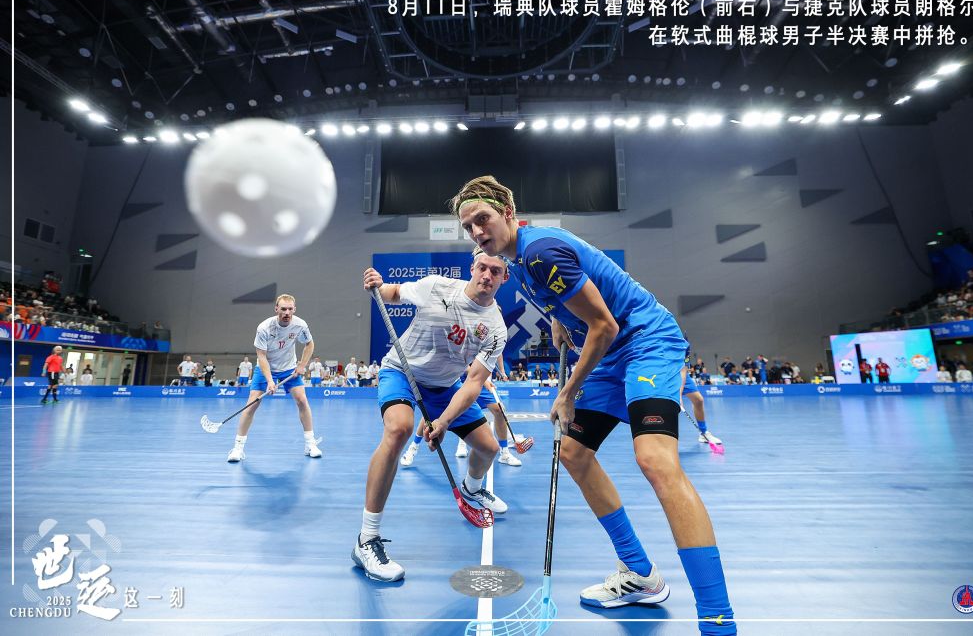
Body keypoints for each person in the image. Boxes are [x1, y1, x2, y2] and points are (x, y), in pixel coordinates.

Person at [452, 176, 734, 633]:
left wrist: (566, 393)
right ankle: (639, 574)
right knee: (574, 453)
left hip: (644, 341)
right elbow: (574, 301)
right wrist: (561, 320)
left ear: (507, 212)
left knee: (655, 461)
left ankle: (718, 621)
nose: (477, 231)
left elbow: (605, 325)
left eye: (482, 219)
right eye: (468, 227)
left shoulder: (540, 252)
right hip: (607, 351)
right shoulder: (517, 260)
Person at [354, 248, 509, 582]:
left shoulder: (496, 328)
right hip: (402, 371)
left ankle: (472, 488)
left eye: (495, 271)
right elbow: (394, 293)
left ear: (504, 277)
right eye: (482, 267)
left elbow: (473, 383)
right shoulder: (437, 286)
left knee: (489, 448)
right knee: (400, 429)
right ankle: (367, 538)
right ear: (472, 267)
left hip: (445, 386)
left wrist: (443, 421)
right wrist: (377, 285)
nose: (486, 275)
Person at [226, 294, 322, 462]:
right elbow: (261, 356)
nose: (287, 312)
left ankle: (310, 444)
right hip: (265, 367)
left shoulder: (300, 325)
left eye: (290, 309)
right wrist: (270, 380)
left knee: (302, 400)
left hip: (289, 368)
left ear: (294, 309)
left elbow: (309, 344)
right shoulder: (264, 328)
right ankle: (238, 449)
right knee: (251, 404)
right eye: (283, 309)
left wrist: (302, 365)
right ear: (276, 309)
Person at [682, 339, 723, 447]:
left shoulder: (685, 345)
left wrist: (679, 392)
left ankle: (703, 432)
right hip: (665, 373)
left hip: (682, 373)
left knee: (698, 400)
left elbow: (685, 367)